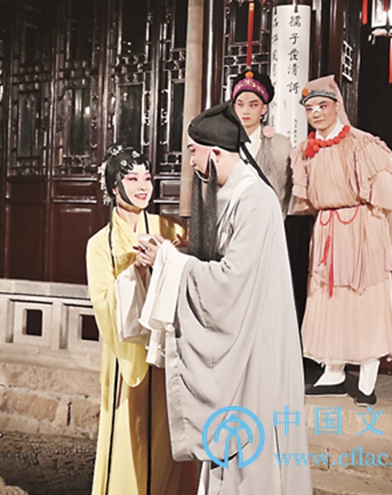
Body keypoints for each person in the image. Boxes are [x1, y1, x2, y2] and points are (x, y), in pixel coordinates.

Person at [137, 102, 312, 494]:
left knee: (252, 445)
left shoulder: (254, 200)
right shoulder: (235, 193)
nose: (191, 161)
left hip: (257, 342)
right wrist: (168, 257)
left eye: (193, 152)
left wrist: (169, 262)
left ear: (215, 153)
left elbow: (232, 280)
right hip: (245, 330)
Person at [85, 145, 198, 495]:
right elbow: (104, 305)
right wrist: (136, 271)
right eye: (131, 178)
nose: (142, 186)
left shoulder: (171, 229)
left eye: (146, 178)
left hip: (167, 350)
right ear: (113, 186)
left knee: (168, 435)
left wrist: (166, 260)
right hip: (126, 356)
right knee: (128, 433)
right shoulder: (99, 245)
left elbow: (192, 278)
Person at [290, 75, 392, 406]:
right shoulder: (305, 151)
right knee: (328, 297)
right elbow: (306, 201)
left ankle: (367, 376)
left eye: (322, 106)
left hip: (363, 226)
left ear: (337, 106)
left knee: (365, 298)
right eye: (310, 108)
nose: (316, 113)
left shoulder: (363, 144)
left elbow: (385, 196)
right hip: (328, 228)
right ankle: (333, 372)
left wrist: (378, 237)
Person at [232, 69, 292, 216]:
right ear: (233, 107)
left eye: (253, 105)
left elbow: (284, 191)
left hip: (268, 218)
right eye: (240, 104)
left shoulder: (280, 145)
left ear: (264, 108)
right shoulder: (223, 144)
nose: (245, 111)